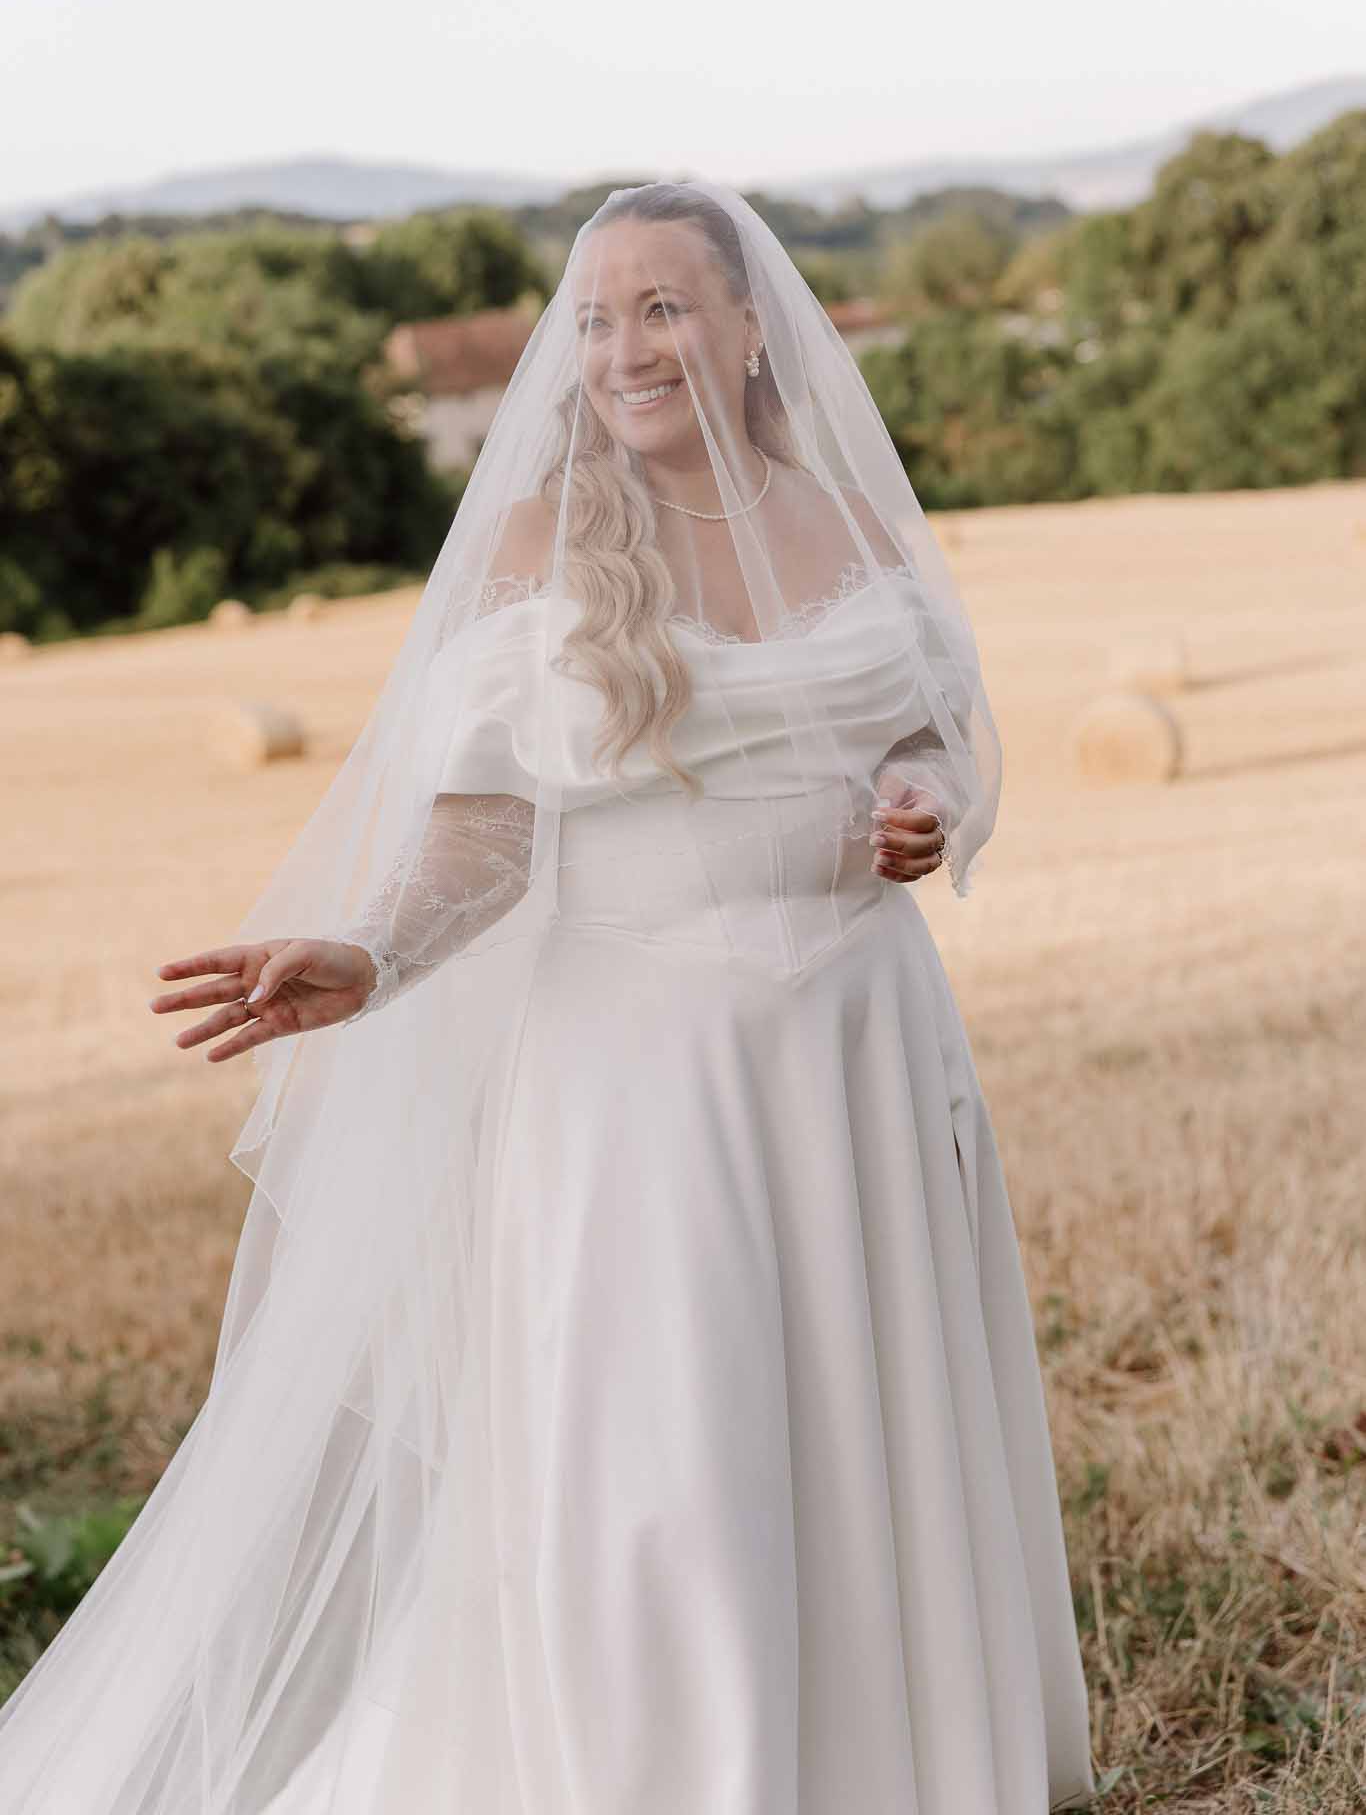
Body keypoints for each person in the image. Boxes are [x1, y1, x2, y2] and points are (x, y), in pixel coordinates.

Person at [0, 180, 1095, 1813]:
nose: (622, 345)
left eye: (661, 306)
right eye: (592, 317)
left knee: (869, 1427)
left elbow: (933, 729)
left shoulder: (853, 522)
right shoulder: (537, 547)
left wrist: (929, 807)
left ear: (746, 328)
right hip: (639, 1069)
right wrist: (368, 954)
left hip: (858, 1035)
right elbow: (482, 837)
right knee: (668, 1456)